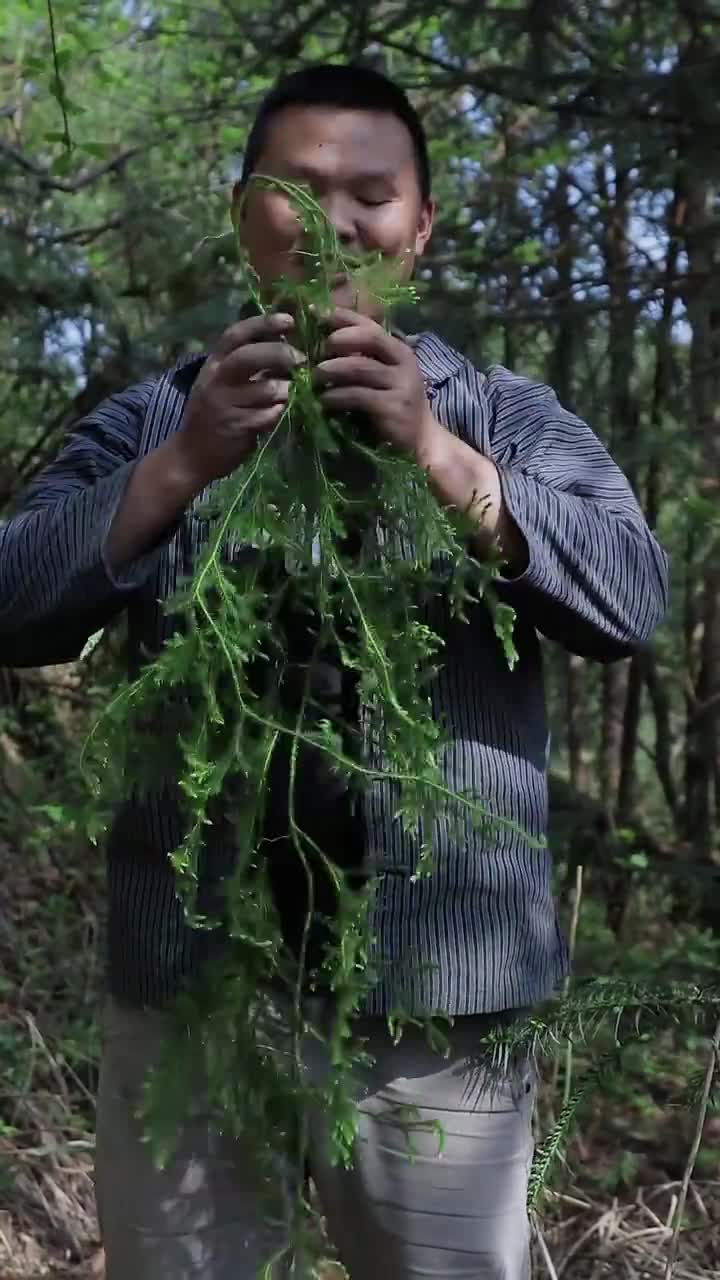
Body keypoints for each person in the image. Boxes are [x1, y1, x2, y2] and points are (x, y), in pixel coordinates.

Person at [0, 63, 668, 1280]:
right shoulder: (155, 418)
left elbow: (631, 599)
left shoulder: (505, 414)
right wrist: (182, 465)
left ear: (419, 226)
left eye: (370, 193)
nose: (332, 223)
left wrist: (438, 454)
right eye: (297, 189)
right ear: (241, 211)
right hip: (192, 996)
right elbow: (11, 598)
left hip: (440, 1005)